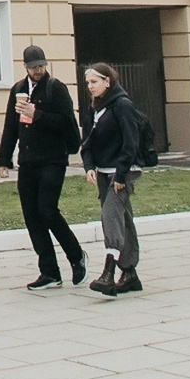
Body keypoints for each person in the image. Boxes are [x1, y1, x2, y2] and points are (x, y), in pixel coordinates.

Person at [0, 46, 86, 290]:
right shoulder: (18, 90)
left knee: (47, 210)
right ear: (25, 66)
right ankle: (49, 271)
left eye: (42, 66)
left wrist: (38, 114)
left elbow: (68, 126)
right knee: (32, 217)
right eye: (34, 66)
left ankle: (76, 256)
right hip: (28, 161)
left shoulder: (55, 88)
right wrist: (4, 159)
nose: (38, 70)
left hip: (52, 160)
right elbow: (10, 127)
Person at [80, 63, 149, 295]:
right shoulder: (95, 108)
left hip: (123, 172)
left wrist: (121, 173)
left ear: (107, 81)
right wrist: (89, 165)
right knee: (123, 219)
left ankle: (108, 274)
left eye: (94, 82)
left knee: (110, 215)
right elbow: (87, 141)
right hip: (103, 171)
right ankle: (130, 273)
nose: (90, 86)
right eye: (88, 82)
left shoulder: (122, 105)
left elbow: (131, 143)